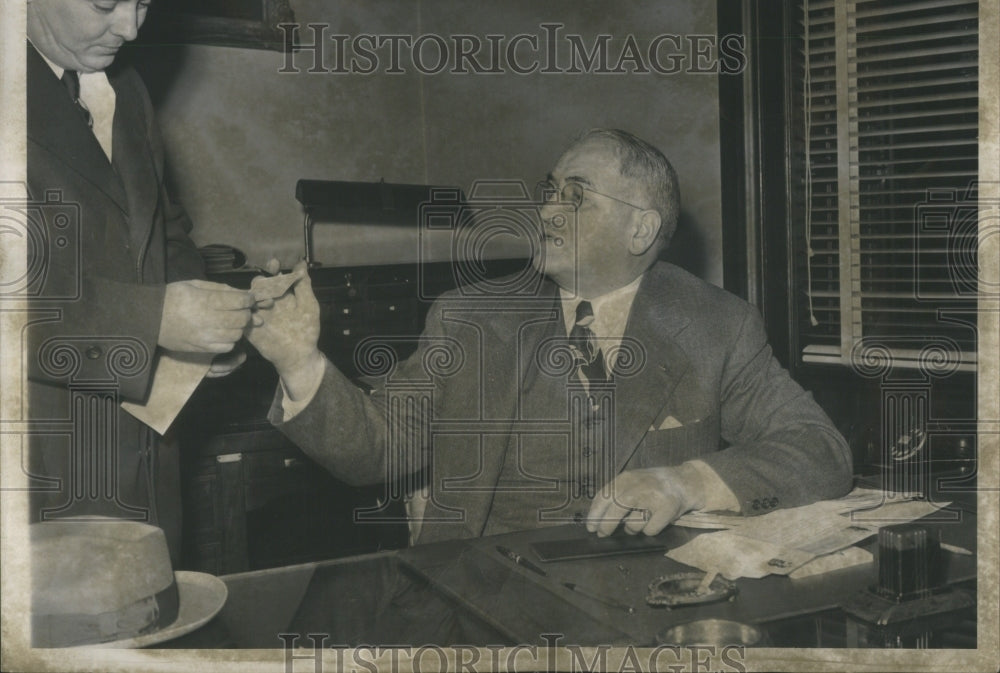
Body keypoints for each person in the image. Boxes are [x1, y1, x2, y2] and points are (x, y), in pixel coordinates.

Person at [248, 129, 853, 544]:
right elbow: (377, 449)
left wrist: (685, 481)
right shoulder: (471, 318)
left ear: (640, 229)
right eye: (549, 191)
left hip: (648, 608)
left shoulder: (717, 325)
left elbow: (820, 451)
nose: (544, 212)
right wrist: (299, 361)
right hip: (488, 600)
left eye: (576, 198)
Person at [25, 0, 253, 561]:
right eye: (105, 3)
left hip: (141, 464)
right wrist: (155, 318)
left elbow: (167, 231)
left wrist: (202, 331)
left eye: (145, 2)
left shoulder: (127, 90)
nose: (130, 30)